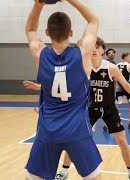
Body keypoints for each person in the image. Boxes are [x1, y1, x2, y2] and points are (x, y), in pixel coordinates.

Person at [24, 37, 130, 180]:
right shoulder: (81, 67)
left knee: (122, 141)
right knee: (73, 139)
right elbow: (62, 83)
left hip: (109, 109)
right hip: (89, 109)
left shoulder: (110, 67)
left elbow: (126, 85)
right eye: (92, 46)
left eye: (97, 47)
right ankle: (64, 171)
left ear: (102, 50)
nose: (94, 49)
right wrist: (41, 87)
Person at [24, 0, 102, 180]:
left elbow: (30, 30)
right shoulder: (82, 53)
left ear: (47, 33)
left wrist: (38, 4)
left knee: (33, 178)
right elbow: (93, 20)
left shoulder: (40, 54)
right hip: (77, 130)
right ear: (71, 33)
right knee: (94, 177)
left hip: (48, 130)